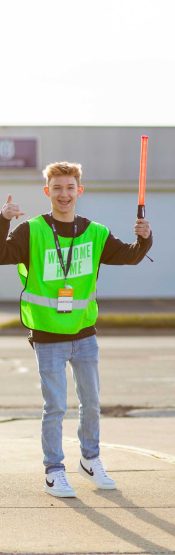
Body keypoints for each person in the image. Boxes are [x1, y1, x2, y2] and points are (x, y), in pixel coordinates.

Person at [0, 161, 152, 498]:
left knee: (92, 403)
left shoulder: (95, 232)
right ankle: (54, 470)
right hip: (47, 334)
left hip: (84, 334)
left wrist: (144, 240)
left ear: (79, 190)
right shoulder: (32, 230)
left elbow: (130, 256)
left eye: (70, 188)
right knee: (54, 406)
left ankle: (90, 459)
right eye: (57, 188)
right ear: (47, 192)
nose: (64, 194)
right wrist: (3, 220)